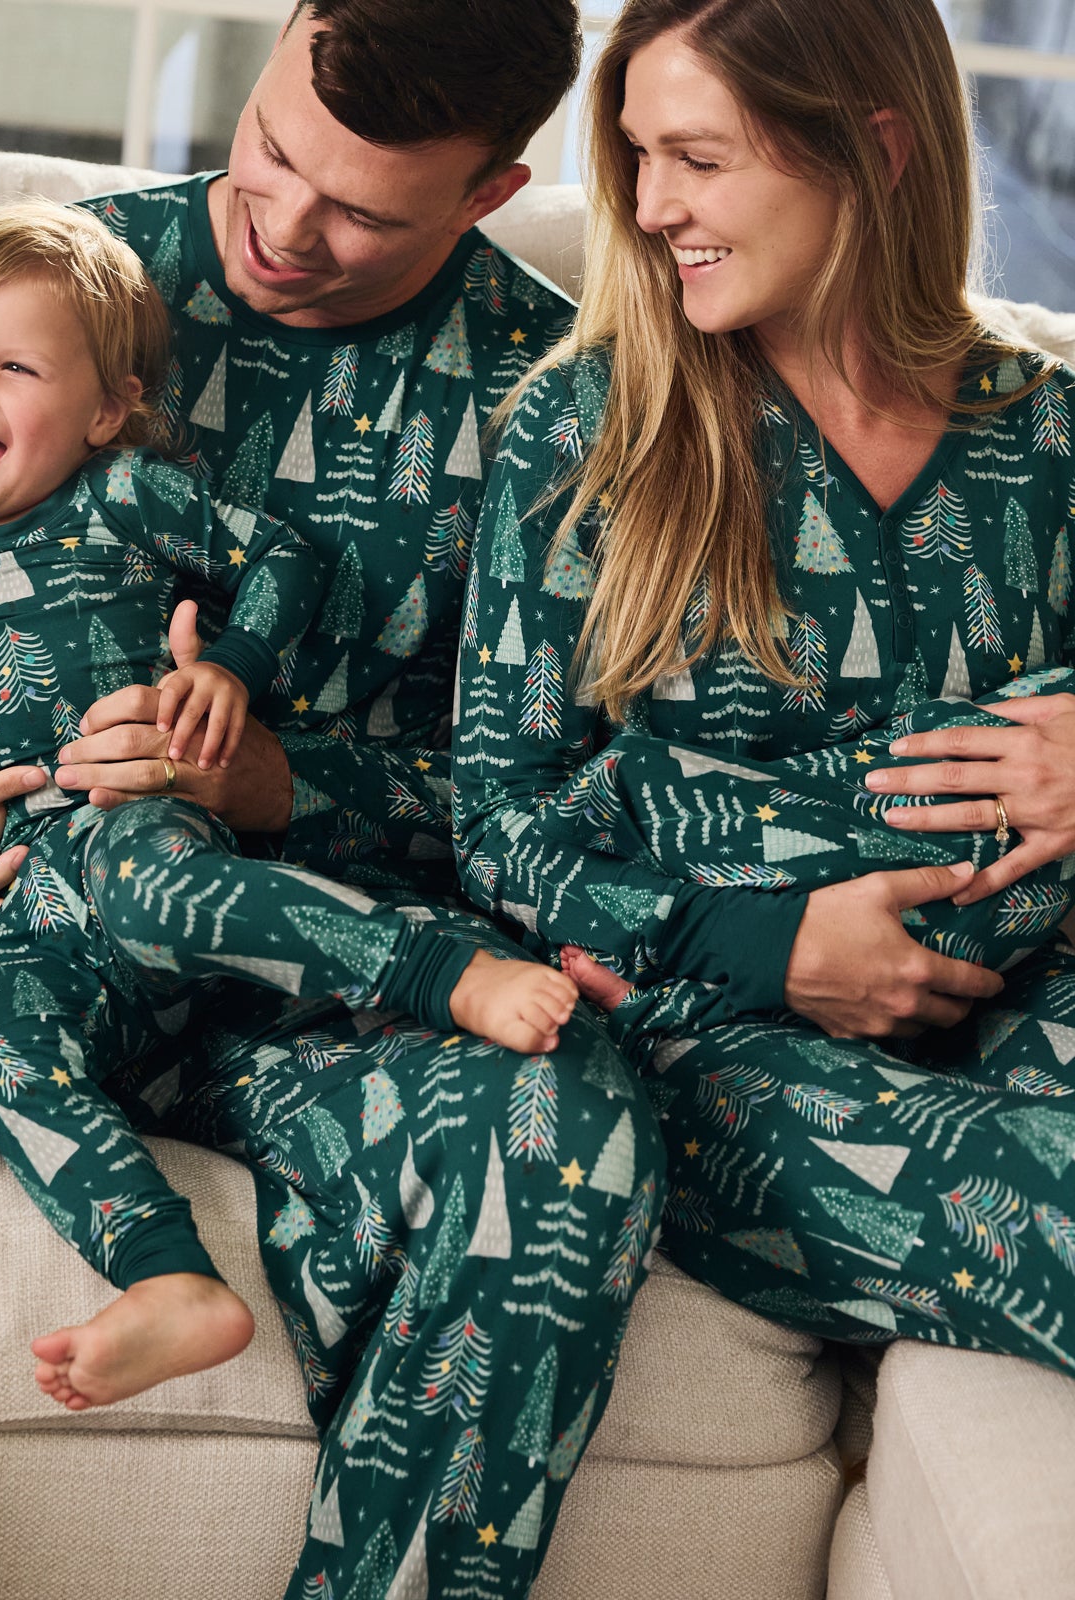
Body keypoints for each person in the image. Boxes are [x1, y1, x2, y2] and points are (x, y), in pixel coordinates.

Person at [0, 2, 664, 1594]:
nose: (280, 225)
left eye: (358, 212)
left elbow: (569, 804)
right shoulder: (38, 285)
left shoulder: (564, 405)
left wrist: (285, 782)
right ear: (277, 44)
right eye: (270, 151)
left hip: (309, 981)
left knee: (569, 1121)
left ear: (489, 190)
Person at [0, 196, 583, 1415]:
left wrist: (227, 676)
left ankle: (430, 970)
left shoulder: (121, 495)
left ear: (106, 410)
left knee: (141, 875)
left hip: (133, 817)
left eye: (15, 366)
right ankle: (167, 1277)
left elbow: (281, 558)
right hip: (11, 902)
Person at [454, 0, 1075, 1378]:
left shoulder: (1046, 429)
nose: (653, 203)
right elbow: (499, 825)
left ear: (876, 148)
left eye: (701, 157)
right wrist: (770, 945)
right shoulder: (589, 429)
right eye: (638, 156)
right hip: (726, 1048)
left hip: (1037, 979)